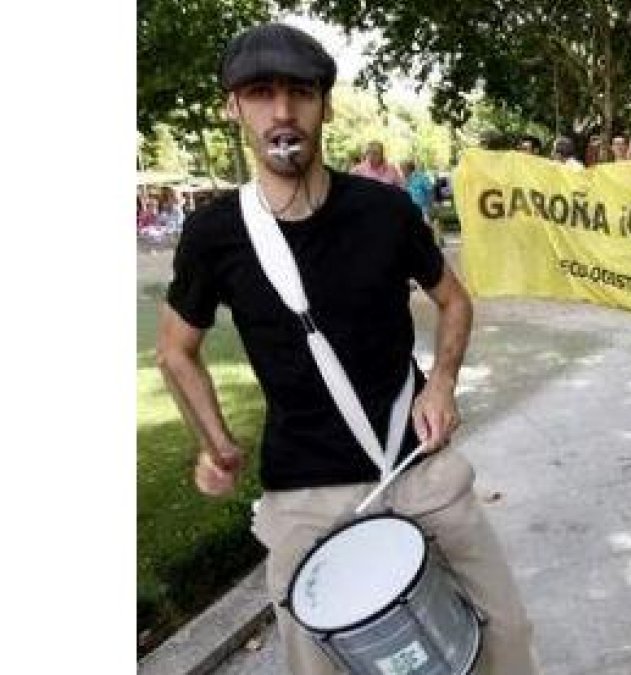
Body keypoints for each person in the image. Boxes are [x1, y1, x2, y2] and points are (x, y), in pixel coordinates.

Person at [155, 22, 539, 675]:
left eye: (300, 92)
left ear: (326, 105)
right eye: (259, 92)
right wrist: (214, 440)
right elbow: (174, 349)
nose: (282, 111)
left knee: (505, 631)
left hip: (416, 465)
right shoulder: (215, 233)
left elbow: (456, 300)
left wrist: (442, 382)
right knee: (320, 666)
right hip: (304, 494)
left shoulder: (385, 211)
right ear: (233, 107)